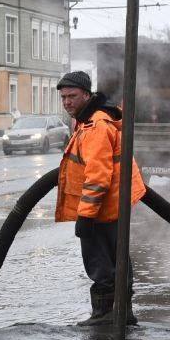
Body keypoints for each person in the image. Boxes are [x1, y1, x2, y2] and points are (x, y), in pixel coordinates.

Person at [55, 71, 146, 326]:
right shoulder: (88, 121)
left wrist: (85, 215)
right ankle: (121, 314)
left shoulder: (96, 126)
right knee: (116, 259)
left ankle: (106, 315)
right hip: (112, 205)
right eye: (63, 98)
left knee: (101, 263)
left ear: (87, 94)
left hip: (102, 208)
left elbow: (97, 177)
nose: (67, 102)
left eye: (72, 96)